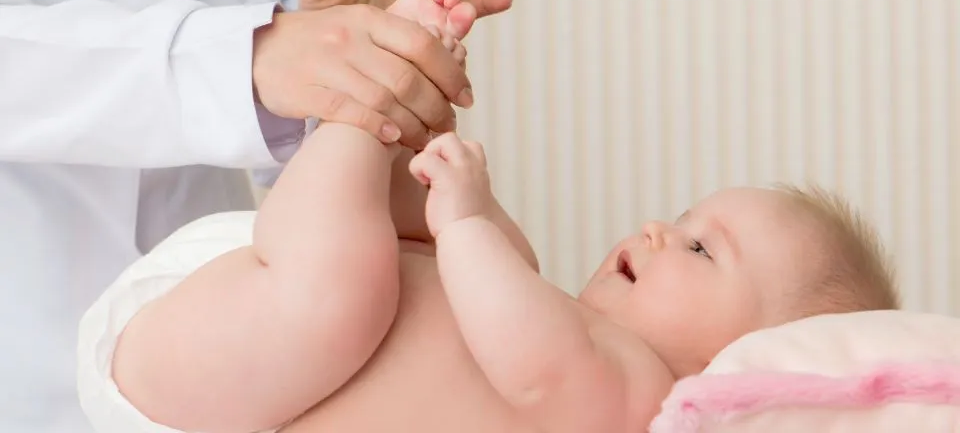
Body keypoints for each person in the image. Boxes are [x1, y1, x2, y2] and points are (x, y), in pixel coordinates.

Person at [78, 120, 901, 429]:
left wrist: (466, 218)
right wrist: (465, 210)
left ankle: (363, 116)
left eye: (698, 250)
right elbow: (507, 313)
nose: (657, 229)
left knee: (346, 295)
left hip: (204, 378)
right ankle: (392, 117)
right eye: (681, 219)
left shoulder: (634, 398)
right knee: (484, 266)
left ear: (735, 360)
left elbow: (535, 370)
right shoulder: (571, 324)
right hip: (244, 303)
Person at [0, 0, 512, 430]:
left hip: (220, 314)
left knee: (374, 270)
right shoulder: (574, 359)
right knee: (367, 279)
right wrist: (254, 55)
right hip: (45, 317)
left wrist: (354, 31)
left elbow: (281, 125)